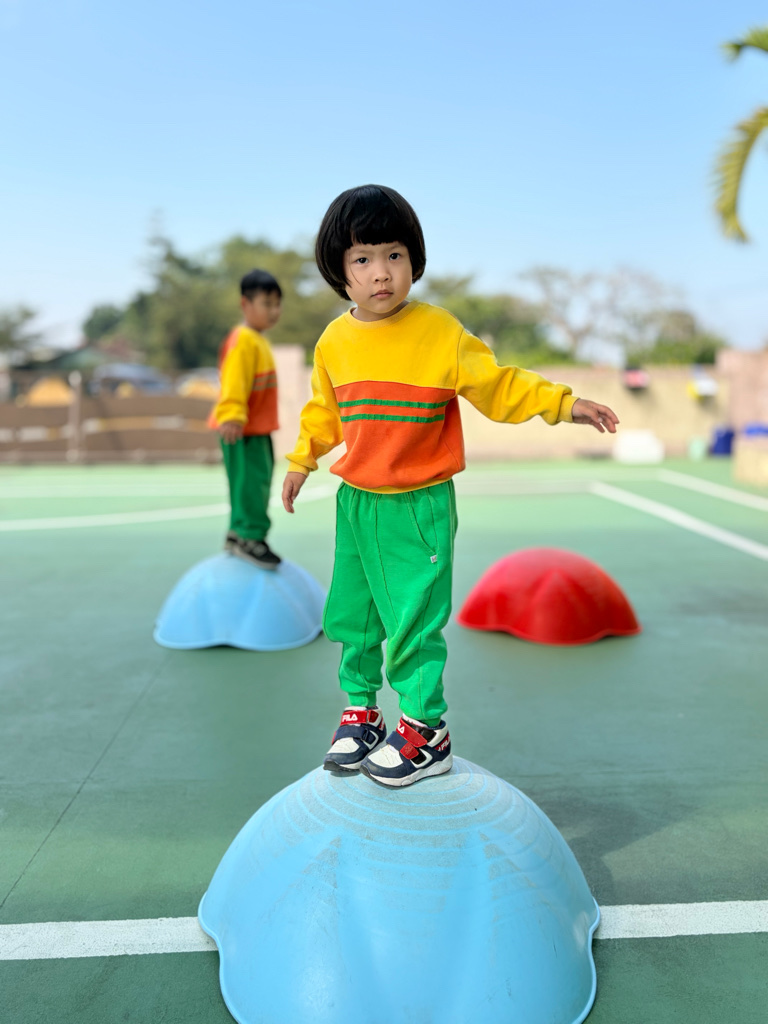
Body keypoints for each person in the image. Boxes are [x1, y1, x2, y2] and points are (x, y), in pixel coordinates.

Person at [282, 185, 619, 787]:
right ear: (339, 270)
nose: (381, 272)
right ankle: (361, 712)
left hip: (418, 505)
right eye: (363, 258)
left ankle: (424, 729)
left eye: (394, 255)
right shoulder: (334, 341)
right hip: (357, 501)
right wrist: (301, 460)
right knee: (353, 614)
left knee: (413, 620)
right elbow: (323, 411)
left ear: (414, 261)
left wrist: (565, 404)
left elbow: (500, 385)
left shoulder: (440, 332)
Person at [209, 268, 283, 570]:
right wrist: (232, 415)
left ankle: (238, 532)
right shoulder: (244, 340)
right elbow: (233, 380)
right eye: (267, 304)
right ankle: (249, 537)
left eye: (277, 304)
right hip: (243, 430)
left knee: (251, 481)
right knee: (250, 484)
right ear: (245, 304)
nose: (274, 311)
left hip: (255, 429)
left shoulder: (257, 340)